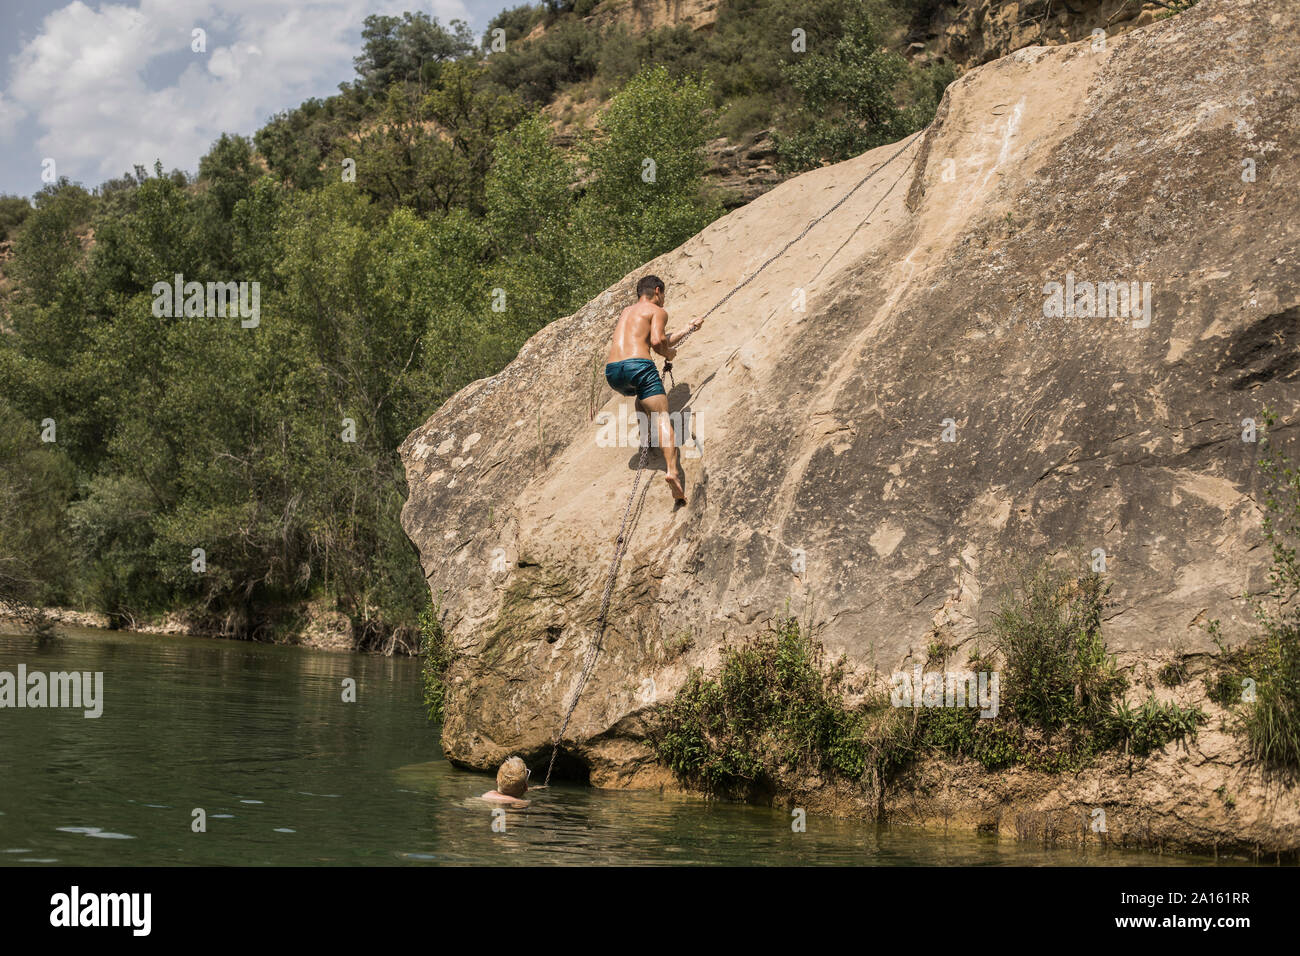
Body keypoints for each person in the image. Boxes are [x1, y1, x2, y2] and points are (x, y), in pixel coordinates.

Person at [604, 275, 701, 501]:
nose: (664, 300)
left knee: (642, 396)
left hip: (614, 372)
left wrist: (688, 329)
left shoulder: (627, 312)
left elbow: (654, 338)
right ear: (657, 291)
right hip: (638, 365)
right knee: (661, 417)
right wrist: (668, 355)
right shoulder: (657, 311)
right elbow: (658, 343)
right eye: (663, 294)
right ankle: (672, 472)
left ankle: (647, 439)